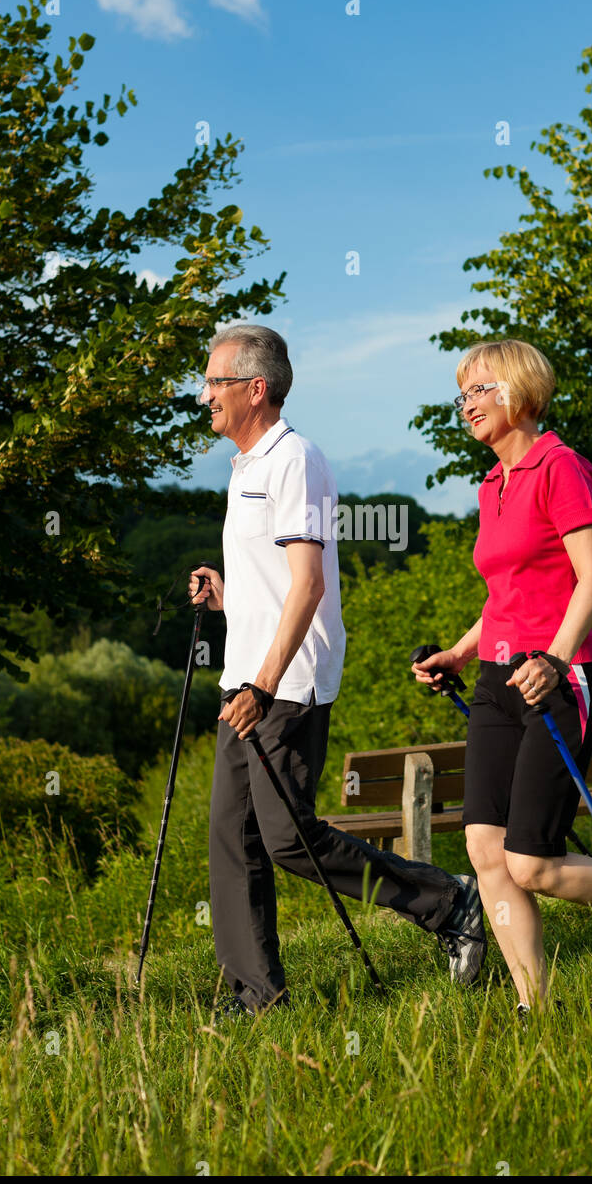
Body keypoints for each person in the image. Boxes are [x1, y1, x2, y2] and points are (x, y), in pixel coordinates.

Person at [188, 323, 485, 1015]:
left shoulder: (298, 461)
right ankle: (256, 996)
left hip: (284, 685)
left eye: (215, 382)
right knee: (233, 840)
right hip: (249, 679)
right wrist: (227, 598)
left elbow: (310, 587)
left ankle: (449, 903)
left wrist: (264, 684)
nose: (205, 395)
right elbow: (273, 589)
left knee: (290, 838)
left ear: (255, 390)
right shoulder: (246, 468)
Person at [412, 339, 592, 1018]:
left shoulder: (560, 466)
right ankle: (534, 1005)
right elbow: (502, 594)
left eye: (478, 390)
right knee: (484, 848)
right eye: (462, 395)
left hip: (560, 678)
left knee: (532, 862)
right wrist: (459, 654)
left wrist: (555, 658)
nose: (466, 406)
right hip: (497, 678)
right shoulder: (492, 484)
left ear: (519, 390)